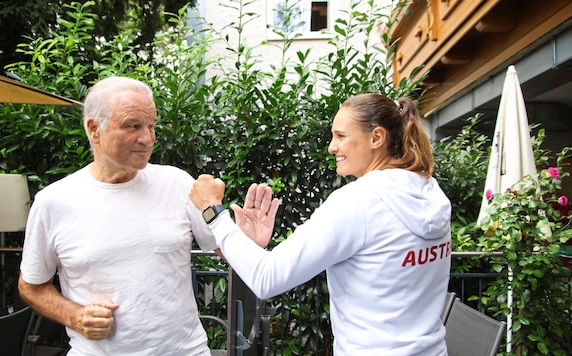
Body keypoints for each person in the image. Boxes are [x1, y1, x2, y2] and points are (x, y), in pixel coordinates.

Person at [189, 93, 452, 355]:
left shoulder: (358, 203)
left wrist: (214, 212)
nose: (332, 147)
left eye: (341, 136)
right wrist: (253, 246)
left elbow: (266, 277)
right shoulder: (431, 192)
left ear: (376, 138)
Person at [18, 76, 220, 355]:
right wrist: (74, 316)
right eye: (133, 125)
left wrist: (250, 238)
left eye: (151, 126)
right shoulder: (53, 202)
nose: (147, 138)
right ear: (94, 128)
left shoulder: (177, 183)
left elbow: (224, 248)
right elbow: (31, 285)